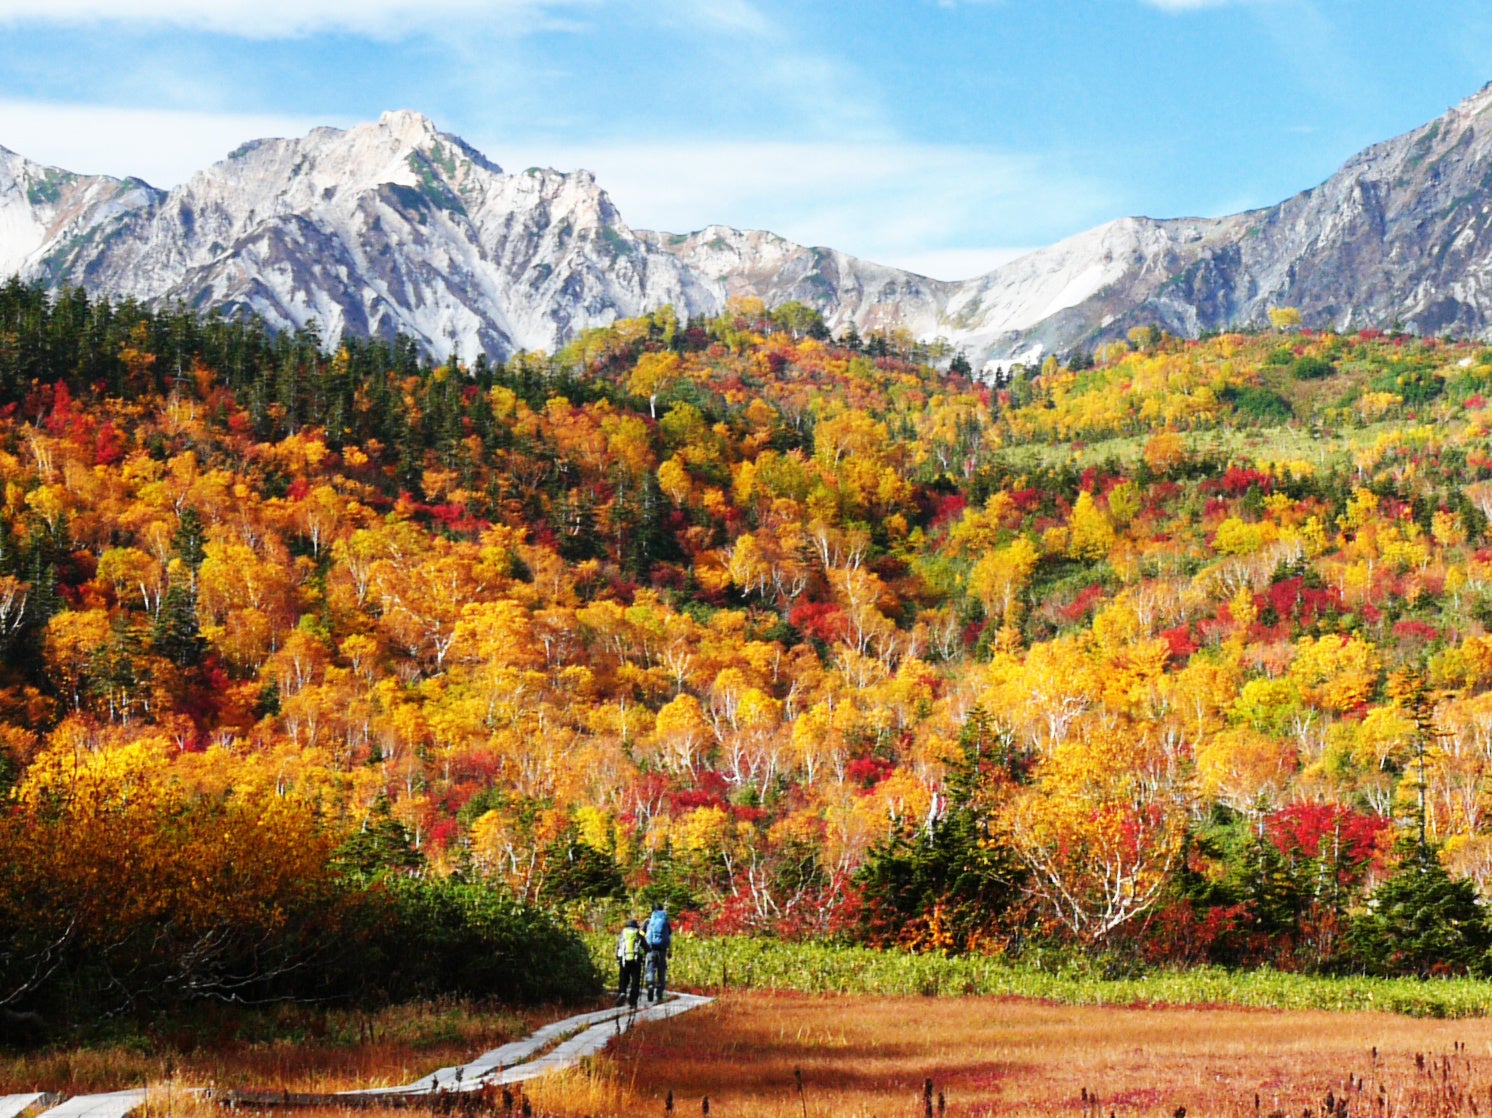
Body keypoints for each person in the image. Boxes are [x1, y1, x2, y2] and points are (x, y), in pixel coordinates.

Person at [643, 902, 672, 1003]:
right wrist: (669, 950)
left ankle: (650, 984)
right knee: (661, 971)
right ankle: (659, 992)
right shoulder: (666, 921)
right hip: (662, 951)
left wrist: (643, 949)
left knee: (650, 968)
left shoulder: (648, 921)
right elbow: (669, 937)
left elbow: (642, 935)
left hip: (650, 949)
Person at [615, 917, 644, 1008]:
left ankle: (622, 992)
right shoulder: (638, 935)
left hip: (624, 960)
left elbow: (617, 947)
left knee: (623, 979)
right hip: (636, 962)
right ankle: (633, 1001)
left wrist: (618, 958)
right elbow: (647, 947)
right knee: (635, 982)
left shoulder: (622, 935)